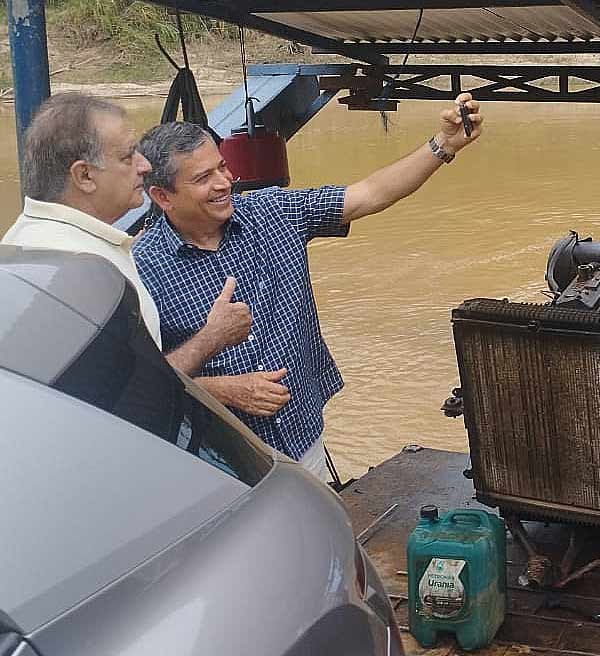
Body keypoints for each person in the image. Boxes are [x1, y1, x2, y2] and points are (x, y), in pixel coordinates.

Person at [133, 94, 484, 479]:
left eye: (222, 167)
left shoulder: (273, 213)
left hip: (303, 438)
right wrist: (218, 387)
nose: (224, 183)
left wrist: (443, 145)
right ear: (162, 196)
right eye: (203, 178)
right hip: (217, 461)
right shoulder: (139, 268)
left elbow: (368, 194)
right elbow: (140, 386)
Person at [1, 93, 251, 370]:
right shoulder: (79, 268)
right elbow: (128, 394)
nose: (144, 166)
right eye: (127, 156)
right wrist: (211, 338)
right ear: (84, 176)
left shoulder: (32, 244)